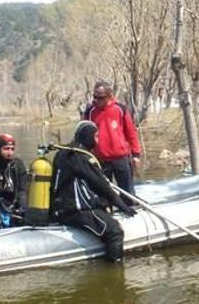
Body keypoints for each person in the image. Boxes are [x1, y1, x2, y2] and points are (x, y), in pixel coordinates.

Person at [51, 121, 137, 262]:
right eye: (96, 136)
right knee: (115, 232)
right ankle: (114, 273)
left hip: (60, 209)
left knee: (104, 207)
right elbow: (101, 185)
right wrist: (123, 206)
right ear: (87, 137)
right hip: (74, 211)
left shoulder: (64, 152)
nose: (97, 140)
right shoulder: (80, 157)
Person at [83, 81, 142, 202]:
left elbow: (131, 133)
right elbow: (83, 136)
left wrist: (136, 155)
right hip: (100, 161)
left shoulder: (120, 109)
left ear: (109, 95)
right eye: (95, 97)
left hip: (121, 158)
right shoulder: (89, 112)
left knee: (128, 194)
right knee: (104, 196)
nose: (97, 100)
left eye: (100, 97)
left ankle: (130, 210)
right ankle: (108, 216)